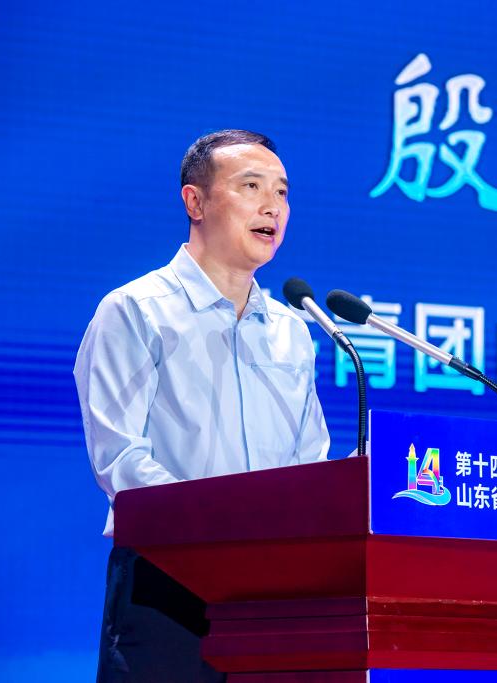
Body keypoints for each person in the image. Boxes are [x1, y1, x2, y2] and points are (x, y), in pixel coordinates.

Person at [74, 130, 330, 682]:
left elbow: (308, 462)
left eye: (282, 192)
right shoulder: (136, 310)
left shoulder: (291, 329)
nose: (273, 206)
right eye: (251, 186)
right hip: (167, 584)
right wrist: (222, 530)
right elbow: (121, 459)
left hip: (275, 593)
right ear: (195, 201)